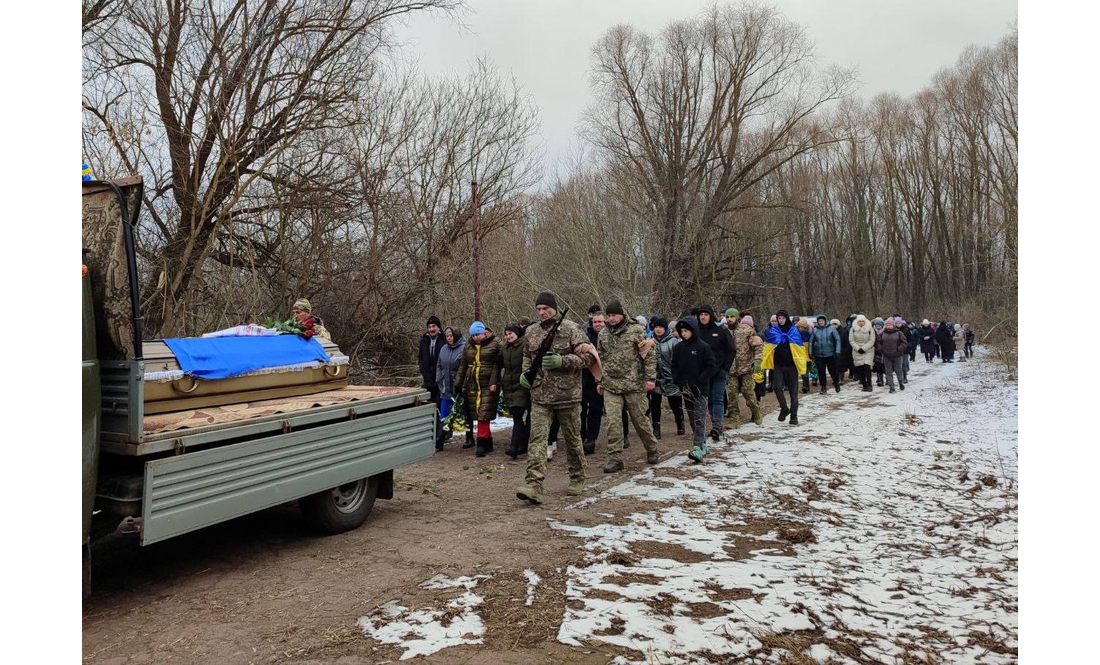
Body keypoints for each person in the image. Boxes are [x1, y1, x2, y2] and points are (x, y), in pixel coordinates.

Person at [516, 292, 596, 504]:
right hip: (540, 396)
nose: (542, 312)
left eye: (546, 309)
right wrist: (525, 374)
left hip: (567, 395)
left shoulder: (571, 329)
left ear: (554, 308)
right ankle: (534, 484)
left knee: (572, 440)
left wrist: (564, 360)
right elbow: (527, 355)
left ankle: (578, 477)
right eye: (538, 309)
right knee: (537, 441)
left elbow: (589, 357)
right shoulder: (531, 331)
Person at [597, 299, 660, 473]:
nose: (611, 319)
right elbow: (599, 359)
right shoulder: (603, 334)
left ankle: (652, 449)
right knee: (613, 423)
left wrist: (650, 379)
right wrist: (600, 381)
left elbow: (649, 355)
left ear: (622, 314)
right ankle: (615, 458)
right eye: (608, 316)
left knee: (640, 421)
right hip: (611, 385)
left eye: (614, 315)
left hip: (634, 384)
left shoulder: (636, 330)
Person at [454, 321, 503, 457]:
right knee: (478, 412)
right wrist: (458, 383)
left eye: (478, 334)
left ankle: (481, 442)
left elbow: (499, 364)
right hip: (473, 383)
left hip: (489, 383)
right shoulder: (468, 346)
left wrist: (496, 381)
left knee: (483, 412)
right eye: (473, 335)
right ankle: (487, 441)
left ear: (483, 333)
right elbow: (463, 365)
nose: (476, 337)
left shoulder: (495, 343)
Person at [672, 318, 716, 462]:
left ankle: (697, 447)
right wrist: (677, 380)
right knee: (691, 418)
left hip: (700, 389)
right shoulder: (678, 348)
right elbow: (674, 365)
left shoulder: (703, 347)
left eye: (686, 331)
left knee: (699, 418)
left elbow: (711, 366)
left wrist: (701, 381)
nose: (684, 334)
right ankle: (702, 442)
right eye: (681, 331)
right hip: (685, 389)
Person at [696, 305, 735, 441]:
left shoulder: (721, 330)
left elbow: (731, 349)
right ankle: (715, 424)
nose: (703, 317)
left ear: (711, 316)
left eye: (706, 314)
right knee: (709, 401)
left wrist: (725, 367)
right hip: (703, 372)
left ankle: (717, 426)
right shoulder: (696, 332)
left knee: (717, 398)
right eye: (701, 315)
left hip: (719, 370)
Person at [763, 310, 806, 426]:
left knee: (793, 392)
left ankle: (794, 415)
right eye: (779, 318)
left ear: (786, 319)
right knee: (777, 387)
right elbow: (768, 346)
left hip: (792, 365)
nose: (781, 320)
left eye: (783, 318)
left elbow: (800, 348)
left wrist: (802, 364)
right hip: (778, 365)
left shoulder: (794, 331)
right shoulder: (774, 331)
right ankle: (784, 408)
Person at [650, 316, 685, 439]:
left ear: (665, 328)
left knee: (675, 402)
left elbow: (679, 360)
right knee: (655, 404)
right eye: (656, 327)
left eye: (661, 327)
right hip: (656, 378)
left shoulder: (673, 341)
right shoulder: (649, 340)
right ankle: (656, 428)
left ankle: (680, 422)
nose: (658, 330)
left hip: (671, 377)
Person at [727, 314, 764, 428]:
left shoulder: (747, 330)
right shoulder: (724, 331)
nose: (729, 319)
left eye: (732, 316)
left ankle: (755, 411)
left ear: (737, 318)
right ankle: (734, 419)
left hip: (746, 368)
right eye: (727, 317)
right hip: (731, 369)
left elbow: (758, 346)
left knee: (748, 393)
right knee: (732, 395)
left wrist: (757, 361)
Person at [435, 327, 470, 447]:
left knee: (463, 413)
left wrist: (461, 382)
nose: (449, 338)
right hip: (445, 386)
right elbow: (439, 365)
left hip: (459, 386)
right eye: (447, 336)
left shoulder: (464, 347)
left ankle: (469, 438)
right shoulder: (444, 348)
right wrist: (439, 379)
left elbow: (465, 367)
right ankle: (440, 439)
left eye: (451, 336)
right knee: (444, 414)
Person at [501, 323, 531, 459]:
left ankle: (514, 446)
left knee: (518, 415)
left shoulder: (525, 345)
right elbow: (498, 365)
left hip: (522, 384)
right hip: (508, 386)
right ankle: (523, 444)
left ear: (517, 333)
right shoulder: (504, 349)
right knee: (516, 415)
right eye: (506, 334)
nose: (508, 336)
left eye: (510, 333)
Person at [581, 308, 605, 455]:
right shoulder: (586, 335)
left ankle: (591, 439)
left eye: (601, 322)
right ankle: (583, 436)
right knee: (582, 409)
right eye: (595, 322)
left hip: (601, 377)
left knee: (596, 409)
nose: (598, 324)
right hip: (585, 376)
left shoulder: (609, 335)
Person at [418, 316, 445, 448]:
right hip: (427, 380)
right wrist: (423, 371)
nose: (431, 329)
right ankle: (430, 435)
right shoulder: (424, 340)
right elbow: (421, 358)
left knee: (440, 408)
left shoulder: (444, 340)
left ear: (438, 327)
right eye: (429, 327)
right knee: (429, 408)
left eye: (433, 326)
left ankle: (440, 436)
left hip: (440, 380)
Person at [810, 315, 842, 394]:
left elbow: (838, 340)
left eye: (822, 320)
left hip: (830, 354)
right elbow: (811, 341)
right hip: (818, 354)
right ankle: (823, 387)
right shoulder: (815, 330)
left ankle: (836, 383)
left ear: (825, 321)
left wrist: (837, 351)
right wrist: (810, 352)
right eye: (819, 321)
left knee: (832, 371)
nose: (821, 322)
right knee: (821, 371)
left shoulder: (832, 329)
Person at [880, 318, 908, 392]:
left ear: (893, 325)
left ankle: (901, 383)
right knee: (888, 371)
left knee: (898, 370)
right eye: (887, 325)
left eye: (890, 325)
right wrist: (881, 349)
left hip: (897, 355)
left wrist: (899, 349)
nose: (888, 326)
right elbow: (878, 343)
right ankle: (891, 386)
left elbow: (904, 343)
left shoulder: (899, 333)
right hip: (886, 355)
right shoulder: (882, 333)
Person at [849, 315, 876, 392]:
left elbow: (872, 340)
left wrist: (864, 348)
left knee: (867, 367)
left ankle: (869, 384)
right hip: (857, 350)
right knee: (860, 369)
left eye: (862, 321)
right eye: (859, 321)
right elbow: (851, 340)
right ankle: (864, 385)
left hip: (868, 350)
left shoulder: (870, 329)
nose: (861, 323)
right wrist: (858, 348)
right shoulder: (853, 329)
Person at [795, 318, 813, 393]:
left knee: (805, 372)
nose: (800, 328)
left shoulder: (809, 334)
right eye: (799, 327)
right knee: (802, 372)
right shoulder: (796, 334)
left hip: (807, 356)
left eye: (802, 327)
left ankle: (805, 386)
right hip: (799, 355)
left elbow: (810, 345)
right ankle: (805, 386)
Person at [872, 318, 886, 386]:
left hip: (885, 352)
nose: (878, 327)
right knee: (878, 367)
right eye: (877, 325)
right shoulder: (872, 332)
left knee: (885, 367)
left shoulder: (885, 332)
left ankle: (888, 379)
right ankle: (880, 380)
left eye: (879, 325)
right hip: (876, 352)